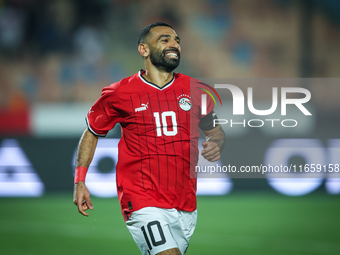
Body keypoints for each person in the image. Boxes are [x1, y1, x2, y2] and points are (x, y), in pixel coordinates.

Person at [73, 22, 225, 255]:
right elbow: (92, 131)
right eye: (165, 40)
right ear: (143, 50)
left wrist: (216, 143)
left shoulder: (196, 90)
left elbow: (215, 131)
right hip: (142, 199)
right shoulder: (120, 93)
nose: (174, 44)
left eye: (177, 41)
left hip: (185, 202)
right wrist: (80, 180)